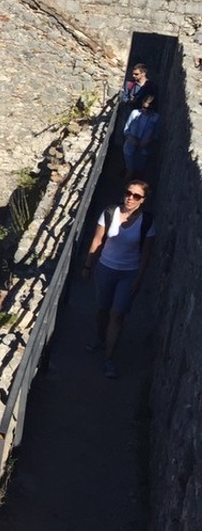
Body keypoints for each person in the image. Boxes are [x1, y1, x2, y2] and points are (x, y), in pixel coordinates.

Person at [81, 180, 155, 379]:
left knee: (118, 314)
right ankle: (99, 337)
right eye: (128, 193)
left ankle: (108, 358)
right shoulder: (109, 213)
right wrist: (88, 266)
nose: (131, 198)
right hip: (105, 268)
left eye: (136, 196)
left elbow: (146, 255)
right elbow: (97, 240)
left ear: (143, 200)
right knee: (103, 309)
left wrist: (139, 279)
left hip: (128, 273)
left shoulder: (146, 222)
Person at [122, 92, 160, 177]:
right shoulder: (134, 113)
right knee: (129, 170)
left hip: (144, 151)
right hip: (130, 147)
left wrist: (148, 141)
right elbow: (126, 129)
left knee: (139, 172)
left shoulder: (156, 118)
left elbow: (157, 135)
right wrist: (131, 138)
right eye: (143, 107)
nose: (144, 110)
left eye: (147, 108)